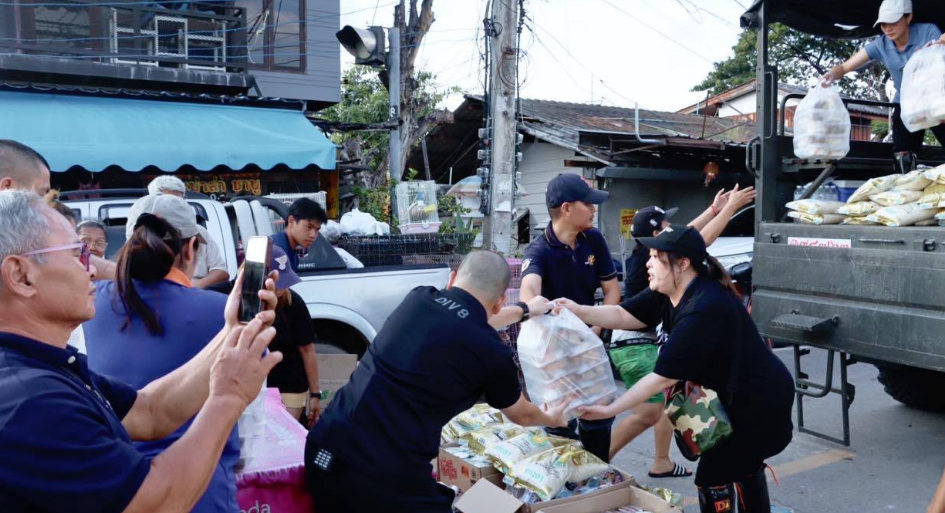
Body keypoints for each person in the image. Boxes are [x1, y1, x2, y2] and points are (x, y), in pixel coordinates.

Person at [0, 189, 283, 513]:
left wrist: (232, 331)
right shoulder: (31, 402)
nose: (91, 269)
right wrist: (228, 397)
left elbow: (150, 411)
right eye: (78, 254)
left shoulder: (45, 369)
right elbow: (155, 504)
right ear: (21, 276)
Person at [305, 250, 568, 513]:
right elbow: (521, 415)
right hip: (380, 475)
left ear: (452, 279)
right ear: (500, 301)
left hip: (325, 446)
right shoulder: (493, 353)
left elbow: (467, 319)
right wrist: (551, 418)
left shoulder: (418, 298)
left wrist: (525, 310)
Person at [559, 225, 794, 513]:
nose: (648, 262)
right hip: (733, 400)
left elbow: (662, 378)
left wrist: (610, 409)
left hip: (758, 406)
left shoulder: (704, 307)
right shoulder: (667, 291)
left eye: (656, 257)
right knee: (741, 468)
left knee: (715, 475)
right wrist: (578, 310)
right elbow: (624, 313)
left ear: (682, 263)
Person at [83, 193, 241, 513]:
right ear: (191, 248)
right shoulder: (223, 312)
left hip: (120, 488)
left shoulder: (89, 303)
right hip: (200, 489)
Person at [609, 186, 757, 475]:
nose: (673, 228)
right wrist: (729, 209)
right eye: (666, 225)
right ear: (656, 234)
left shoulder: (658, 256)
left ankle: (659, 460)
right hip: (635, 341)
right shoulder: (654, 259)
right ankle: (601, 458)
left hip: (636, 339)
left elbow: (689, 235)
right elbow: (698, 240)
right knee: (653, 407)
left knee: (664, 401)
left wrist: (714, 210)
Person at [518, 173, 620, 462]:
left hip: (588, 345)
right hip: (553, 354)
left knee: (598, 420)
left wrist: (596, 328)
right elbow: (529, 290)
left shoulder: (593, 239)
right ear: (566, 209)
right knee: (559, 422)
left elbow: (612, 291)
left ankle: (599, 479)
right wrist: (533, 303)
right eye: (588, 203)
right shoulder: (539, 250)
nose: (593, 209)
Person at [824, 0, 945, 172]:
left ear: (908, 17)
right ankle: (905, 188)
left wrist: (941, 42)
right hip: (906, 105)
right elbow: (844, 67)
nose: (888, 28)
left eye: (893, 22)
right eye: (883, 24)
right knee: (903, 152)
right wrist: (832, 74)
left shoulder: (927, 31)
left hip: (936, 102)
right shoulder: (880, 45)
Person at [212, 246, 322, 425]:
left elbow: (307, 349)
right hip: (240, 382)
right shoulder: (222, 296)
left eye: (284, 282)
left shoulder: (293, 303)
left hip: (288, 383)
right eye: (276, 283)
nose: (280, 289)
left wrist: (316, 394)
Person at [144, 176, 229, 288]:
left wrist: (190, 289)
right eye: (166, 200)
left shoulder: (199, 232)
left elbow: (221, 272)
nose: (173, 205)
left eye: (178, 201)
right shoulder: (143, 233)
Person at [273, 197, 328, 271]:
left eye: (317, 230)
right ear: (291, 221)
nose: (313, 235)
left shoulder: (291, 253)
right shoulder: (278, 251)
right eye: (309, 227)